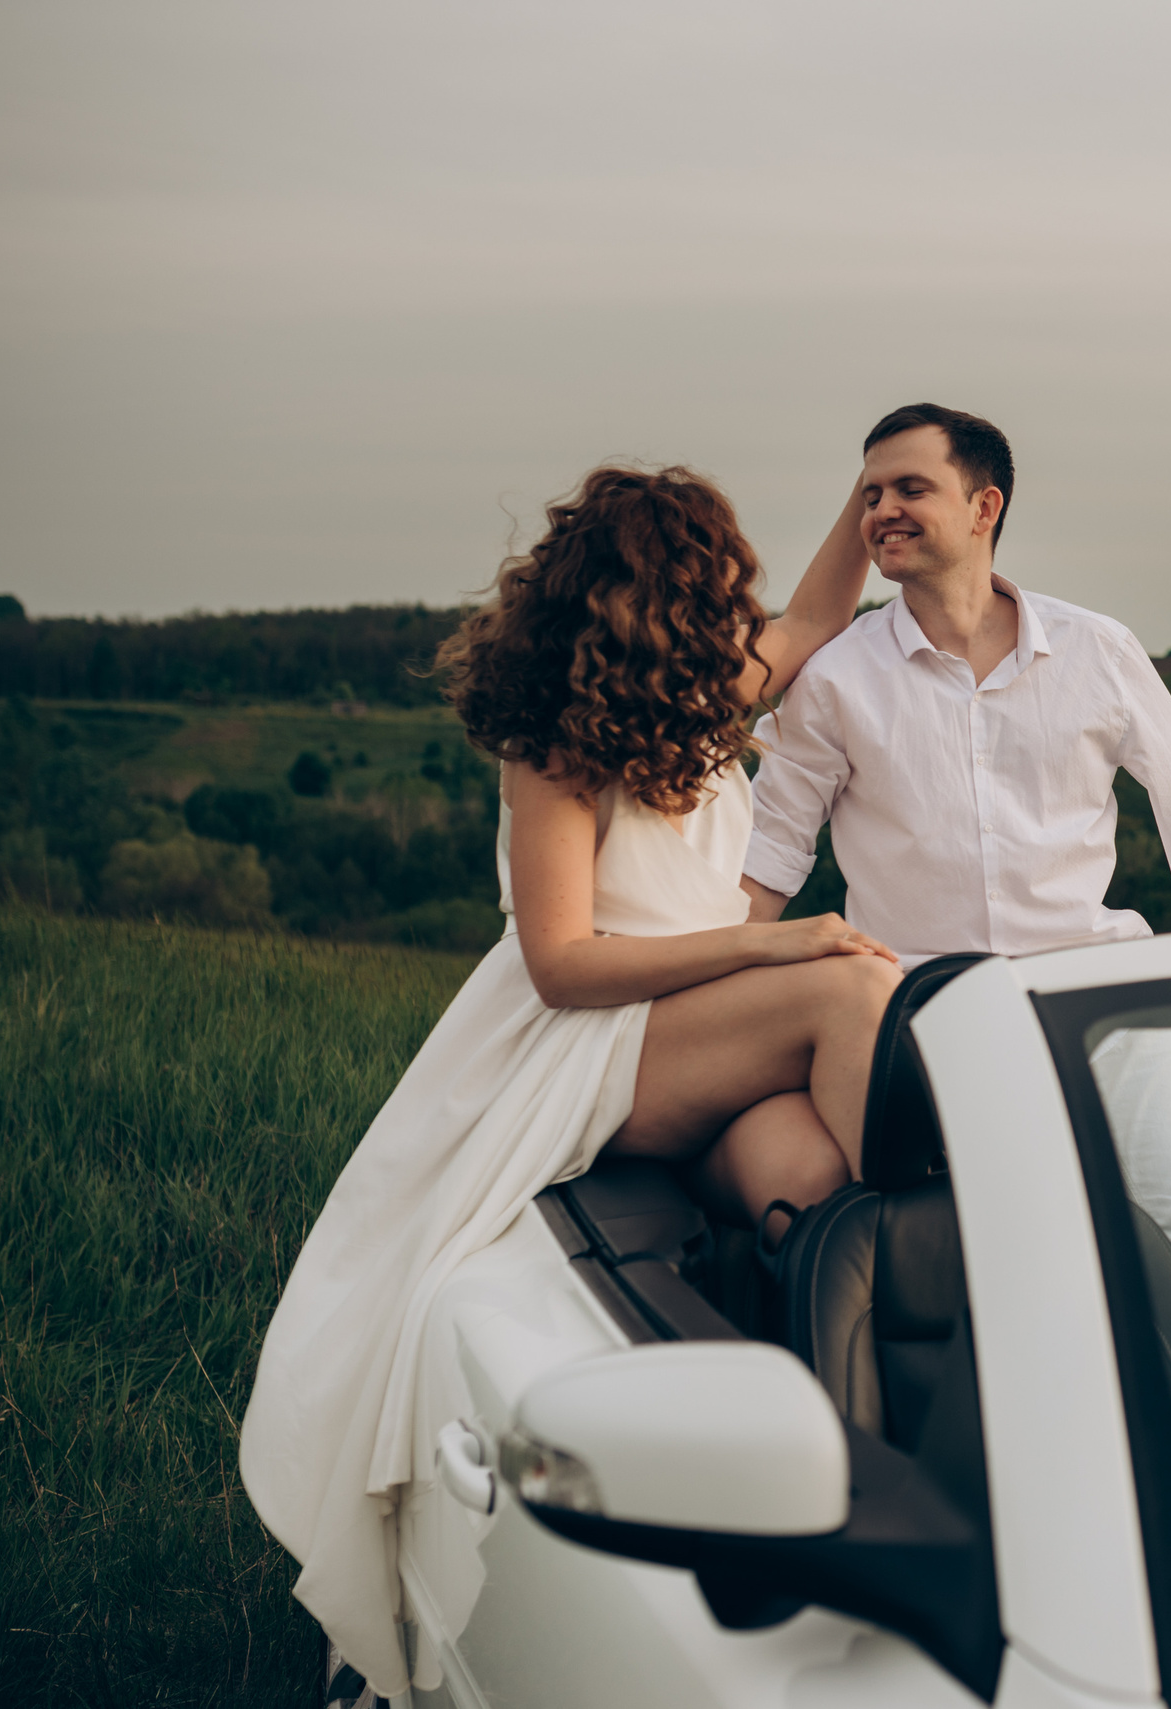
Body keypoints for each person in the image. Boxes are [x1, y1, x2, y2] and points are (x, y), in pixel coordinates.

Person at [241, 464, 902, 1702]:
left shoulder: (705, 699)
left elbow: (816, 620)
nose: (737, 604)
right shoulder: (551, 745)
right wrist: (776, 937)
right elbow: (561, 963)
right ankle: (958, 1289)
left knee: (805, 1172)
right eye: (713, 582)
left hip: (693, 1037)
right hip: (592, 1042)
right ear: (646, 595)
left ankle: (848, 1446)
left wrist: (868, 498)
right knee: (850, 988)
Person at [740, 403, 1171, 1526]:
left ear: (983, 506)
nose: (879, 511)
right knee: (980, 1255)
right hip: (917, 1013)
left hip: (1100, 992)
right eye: (869, 492)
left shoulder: (1093, 646)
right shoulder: (838, 678)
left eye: (907, 488)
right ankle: (1016, 1521)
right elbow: (771, 853)